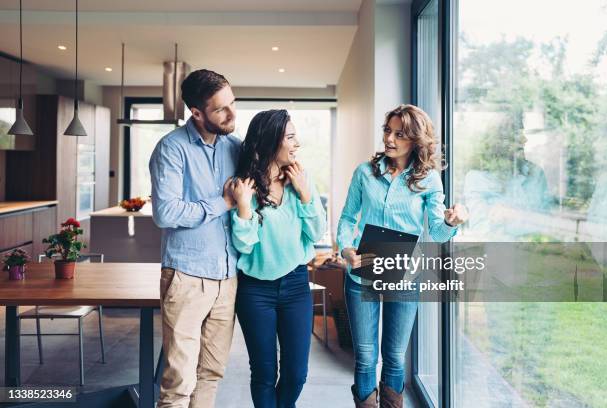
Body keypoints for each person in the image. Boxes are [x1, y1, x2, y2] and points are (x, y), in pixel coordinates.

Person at [337, 104, 467, 408]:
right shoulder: (364, 173)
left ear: (416, 140)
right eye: (387, 131)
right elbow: (346, 219)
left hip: (404, 273)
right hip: (362, 271)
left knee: (394, 357)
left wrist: (451, 222)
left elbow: (436, 231)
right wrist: (346, 250)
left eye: (399, 134)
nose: (390, 139)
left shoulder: (429, 179)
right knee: (366, 356)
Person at [149, 69, 240, 408]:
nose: (232, 115)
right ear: (197, 112)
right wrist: (223, 203)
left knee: (212, 373)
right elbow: (166, 213)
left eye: (233, 103)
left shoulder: (235, 146)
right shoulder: (171, 149)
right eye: (221, 109)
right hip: (186, 276)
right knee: (178, 383)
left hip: (228, 277)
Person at [230, 109, 326, 408]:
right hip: (255, 291)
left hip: (296, 285)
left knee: (297, 373)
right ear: (271, 141)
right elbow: (244, 246)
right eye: (291, 137)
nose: (297, 143)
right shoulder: (244, 185)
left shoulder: (300, 178)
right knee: (264, 373)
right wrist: (244, 207)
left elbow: (317, 231)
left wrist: (306, 194)